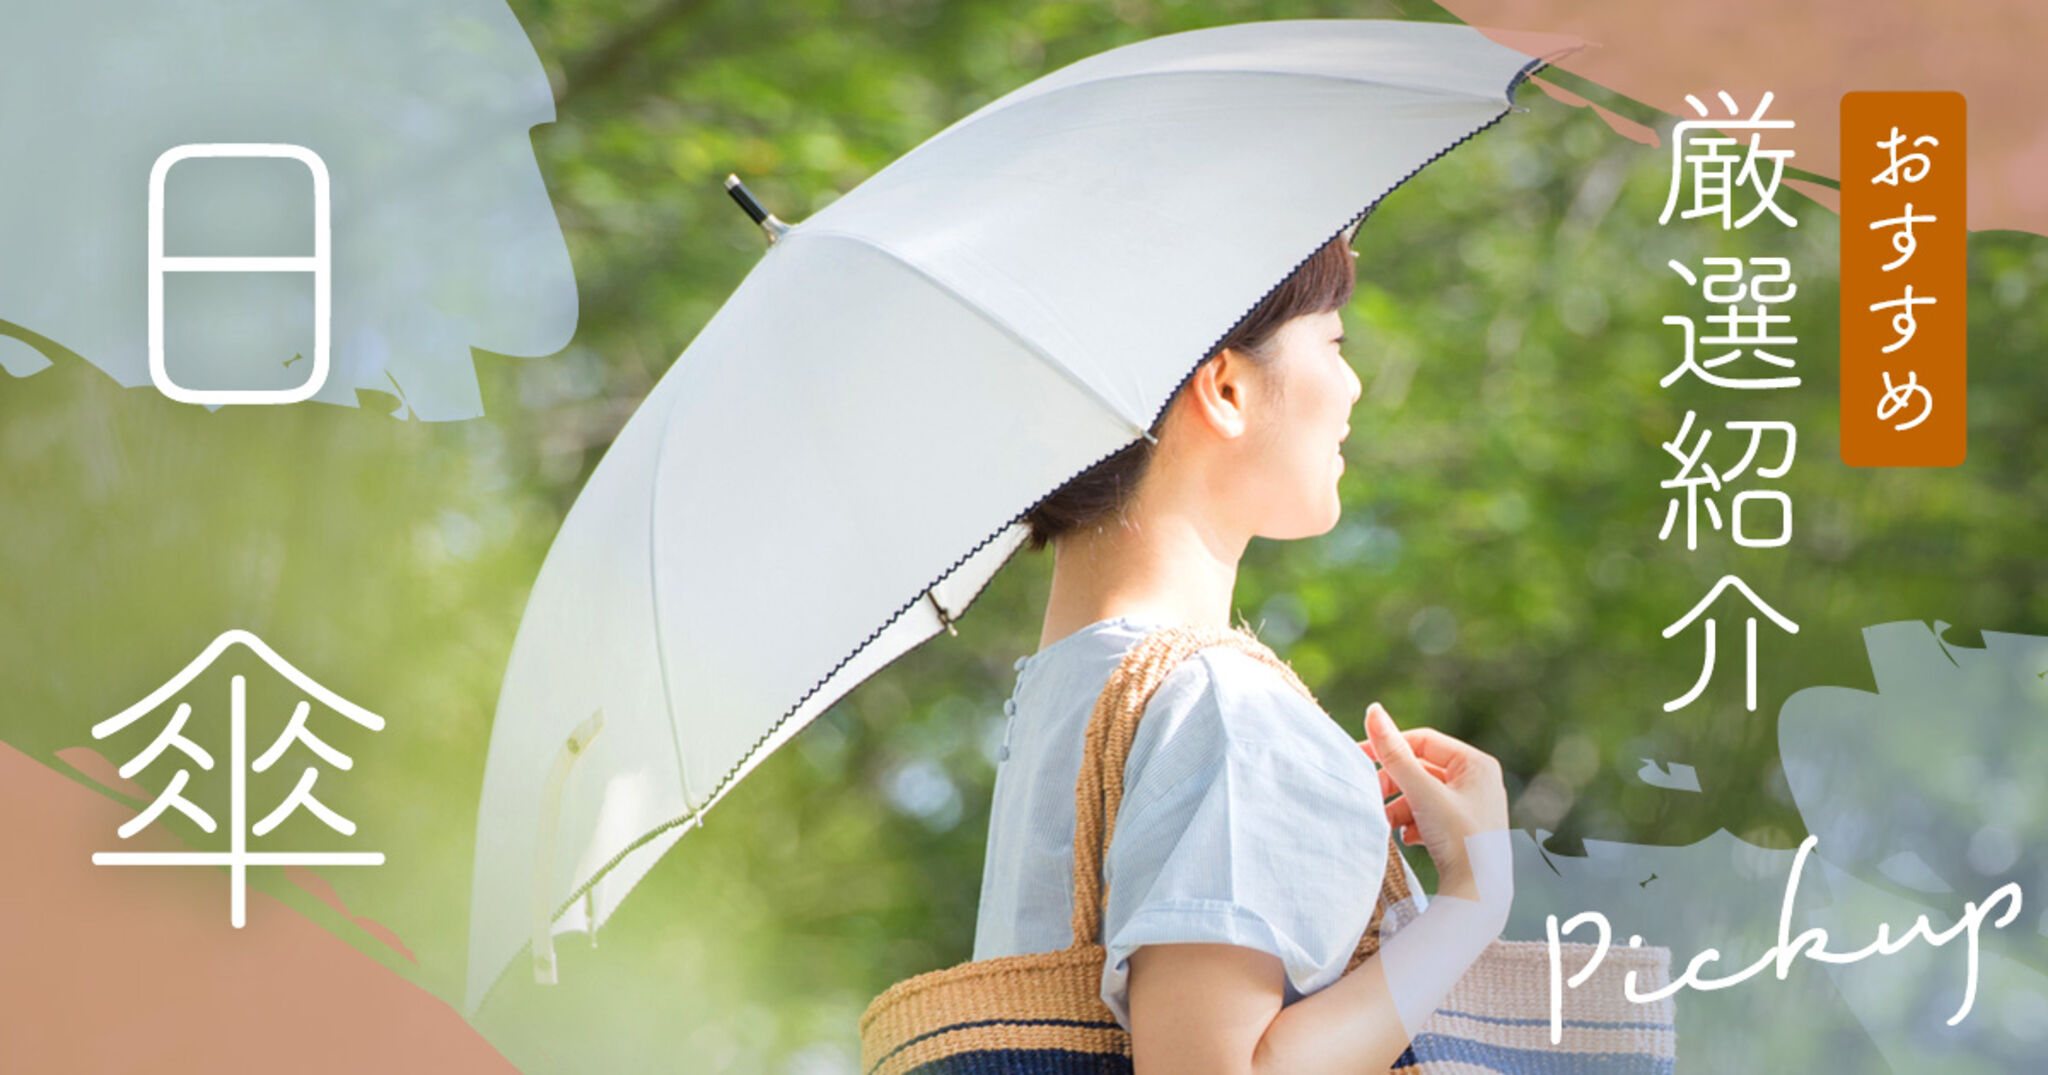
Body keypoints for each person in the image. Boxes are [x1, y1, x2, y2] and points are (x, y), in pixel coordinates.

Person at [971, 234, 1514, 1073]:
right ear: (1225, 387)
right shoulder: (1222, 704)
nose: (1353, 384)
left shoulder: (1051, 704)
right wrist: (1471, 907)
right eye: (1334, 342)